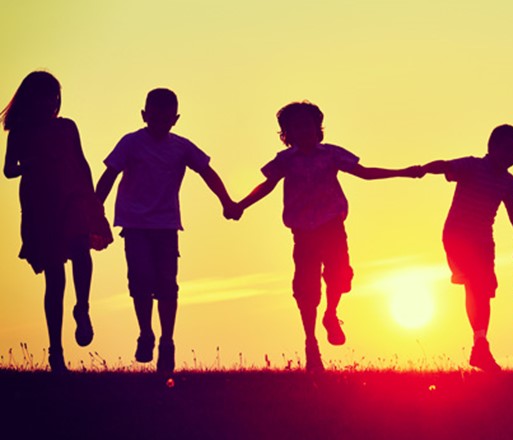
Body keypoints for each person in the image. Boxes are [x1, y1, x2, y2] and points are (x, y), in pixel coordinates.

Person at [236, 101, 423, 373]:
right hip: (303, 233)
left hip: (332, 227)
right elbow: (267, 185)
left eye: (308, 125)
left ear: (318, 128)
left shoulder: (331, 154)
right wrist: (240, 204)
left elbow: (365, 173)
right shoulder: (285, 161)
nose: (303, 131)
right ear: (286, 134)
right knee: (306, 288)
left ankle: (331, 313)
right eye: (295, 127)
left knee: (340, 276)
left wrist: (403, 172)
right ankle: (311, 343)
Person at [95, 88, 239, 373]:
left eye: (166, 117)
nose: (160, 122)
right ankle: (145, 332)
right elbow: (109, 176)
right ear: (144, 115)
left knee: (167, 285)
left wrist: (227, 201)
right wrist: (93, 211)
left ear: (176, 119)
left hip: (166, 225)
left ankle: (167, 341)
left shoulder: (181, 147)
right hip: (135, 224)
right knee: (139, 281)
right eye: (154, 116)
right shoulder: (131, 143)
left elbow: (207, 172)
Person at [1, 71, 113, 373]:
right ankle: (56, 352)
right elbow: (8, 170)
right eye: (47, 96)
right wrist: (32, 165)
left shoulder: (67, 127)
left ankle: (82, 308)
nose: (53, 101)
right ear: (32, 99)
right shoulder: (20, 133)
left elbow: (82, 161)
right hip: (41, 205)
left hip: (73, 198)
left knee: (81, 251)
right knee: (54, 278)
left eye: (55, 96)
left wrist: (93, 200)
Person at [421, 125, 513, 371]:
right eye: (510, 149)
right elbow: (445, 165)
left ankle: (480, 344)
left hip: (483, 241)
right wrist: (422, 169)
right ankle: (480, 346)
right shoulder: (472, 166)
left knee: (483, 291)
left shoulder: (508, 181)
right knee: (474, 283)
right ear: (493, 147)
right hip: (458, 235)